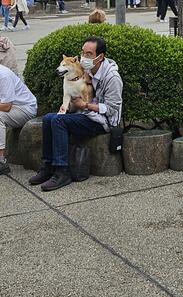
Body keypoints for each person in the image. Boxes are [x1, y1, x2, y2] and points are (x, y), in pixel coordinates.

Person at [31, 36, 123, 192]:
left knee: (59, 122)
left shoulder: (112, 77)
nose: (83, 57)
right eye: (82, 52)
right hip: (84, 113)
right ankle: (48, 166)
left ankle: (62, 172)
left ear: (100, 57)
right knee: (48, 119)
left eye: (89, 54)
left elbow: (113, 110)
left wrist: (86, 105)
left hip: (102, 121)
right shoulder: (84, 70)